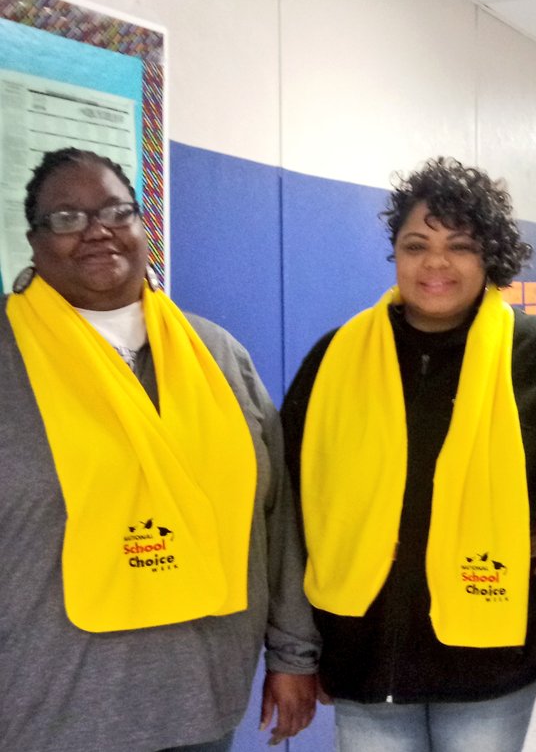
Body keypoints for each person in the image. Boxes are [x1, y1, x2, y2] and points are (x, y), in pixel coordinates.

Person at [281, 157, 536, 752]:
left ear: (490, 257)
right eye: (416, 245)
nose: (435, 263)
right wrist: (294, 651)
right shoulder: (337, 357)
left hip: (489, 665)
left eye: (461, 246)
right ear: (396, 253)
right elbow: (290, 505)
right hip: (364, 658)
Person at [0, 148, 319, 752]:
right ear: (34, 242)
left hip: (202, 701)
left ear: (141, 224)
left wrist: (293, 656)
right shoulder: (8, 356)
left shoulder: (217, 355)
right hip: (46, 714)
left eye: (115, 211)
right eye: (67, 218)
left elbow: (275, 519)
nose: (96, 230)